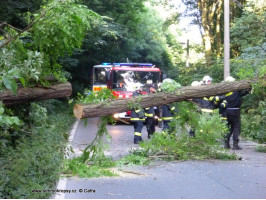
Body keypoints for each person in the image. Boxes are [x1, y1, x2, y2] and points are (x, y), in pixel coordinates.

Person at [219, 76, 250, 150]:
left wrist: (246, 92)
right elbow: (240, 93)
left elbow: (240, 95)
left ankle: (226, 144)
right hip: (235, 111)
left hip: (227, 111)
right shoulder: (236, 90)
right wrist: (248, 89)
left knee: (228, 127)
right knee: (236, 127)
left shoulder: (224, 91)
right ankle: (235, 145)